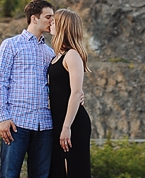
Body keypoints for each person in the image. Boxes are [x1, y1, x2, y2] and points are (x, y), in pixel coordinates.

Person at [0, 0, 56, 178]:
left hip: (44, 125)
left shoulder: (50, 52)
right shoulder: (11, 45)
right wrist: (3, 117)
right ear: (34, 18)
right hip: (16, 124)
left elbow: (56, 84)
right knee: (9, 174)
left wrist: (77, 93)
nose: (52, 21)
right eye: (48, 17)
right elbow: (0, 82)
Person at [48, 9, 92, 178]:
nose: (51, 23)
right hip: (58, 121)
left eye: (54, 21)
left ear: (63, 26)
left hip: (72, 123)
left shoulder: (72, 55)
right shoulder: (56, 56)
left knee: (73, 170)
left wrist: (66, 127)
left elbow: (75, 93)